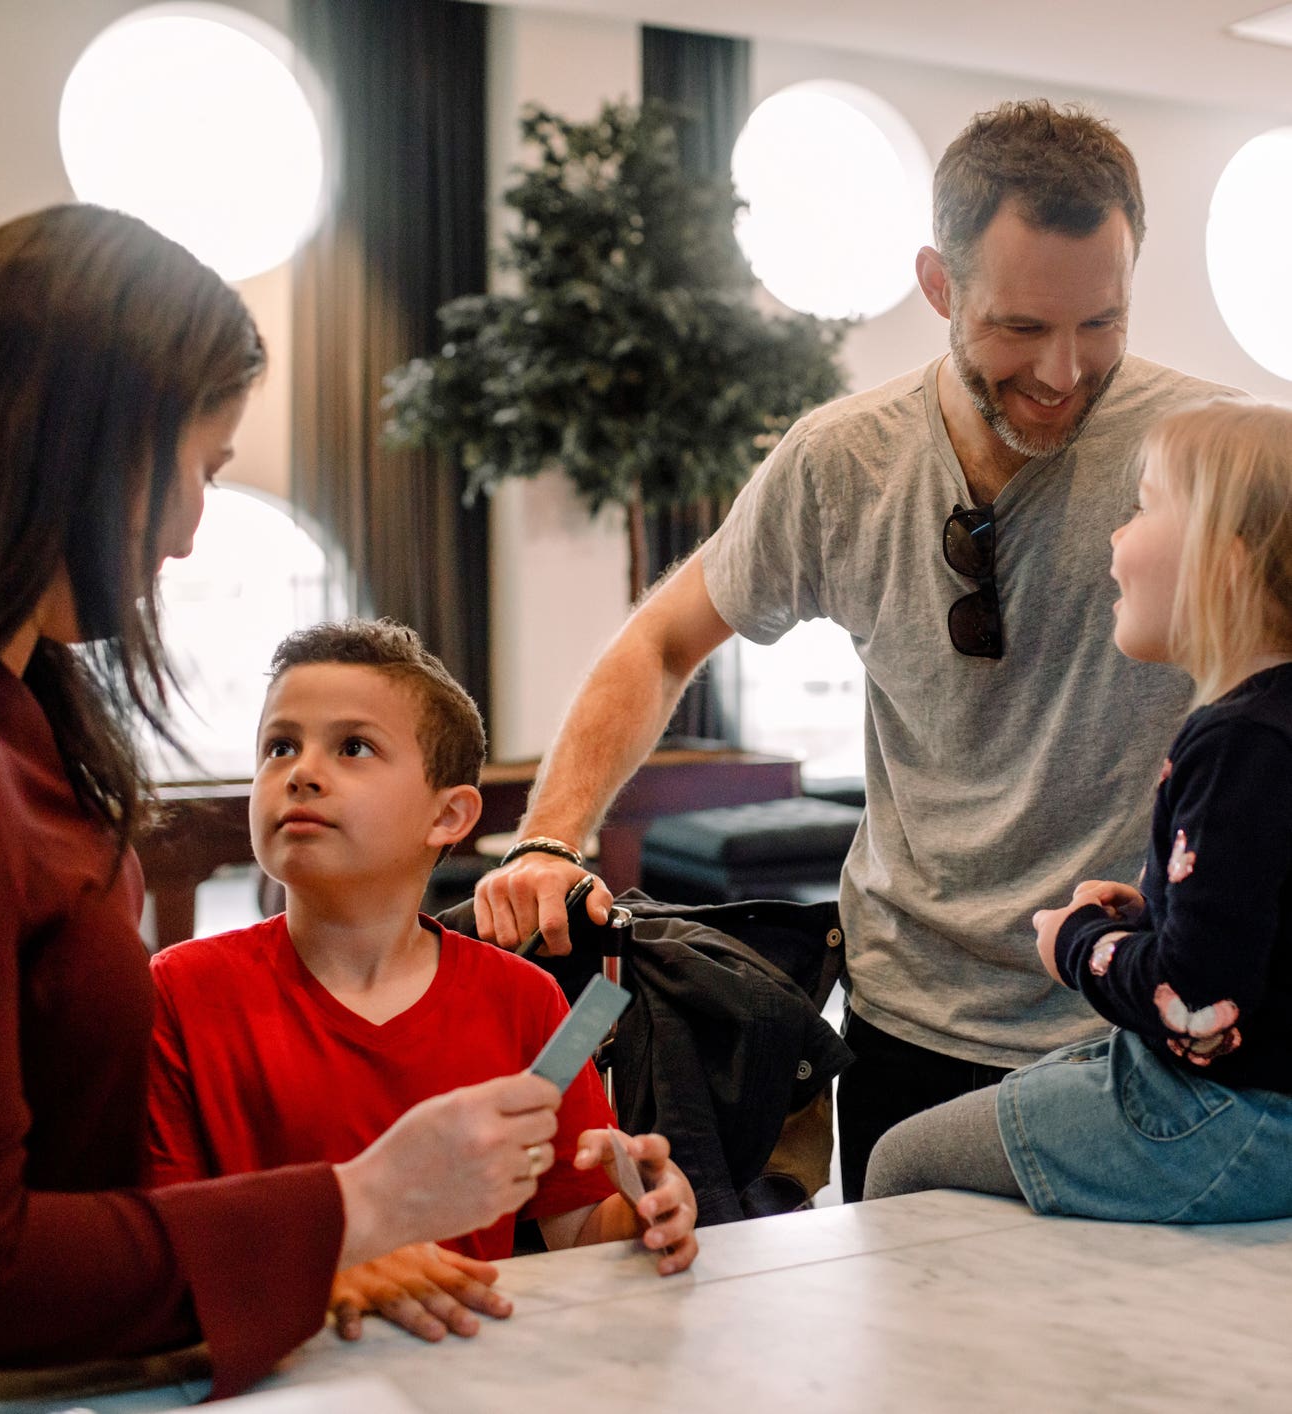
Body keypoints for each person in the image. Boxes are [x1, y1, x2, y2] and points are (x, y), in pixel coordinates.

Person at [471, 99, 1240, 1202]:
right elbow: (661, 640)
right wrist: (550, 839)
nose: (1063, 372)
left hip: (1128, 1026)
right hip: (906, 1022)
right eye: (1021, 327)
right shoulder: (842, 463)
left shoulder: (1209, 458)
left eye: (1100, 323)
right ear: (939, 284)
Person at [0, 205, 564, 1398]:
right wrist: (354, 1206)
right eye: (198, 467)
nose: (192, 531)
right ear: (81, 445)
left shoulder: (17, 710)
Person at [146, 619, 699, 1344]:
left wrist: (646, 1214)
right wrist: (323, 1270)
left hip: (465, 1359)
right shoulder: (179, 990)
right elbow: (162, 1242)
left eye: (353, 747)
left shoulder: (524, 1000)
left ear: (448, 815)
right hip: (276, 1364)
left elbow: (578, 1228)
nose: (301, 772)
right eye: (279, 746)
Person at [864, 399, 1292, 1219]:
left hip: (1224, 1119)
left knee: (903, 1161)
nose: (1116, 536)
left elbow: (1199, 1004)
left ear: (1223, 565)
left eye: (1143, 508)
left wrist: (1077, 944)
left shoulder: (1238, 743)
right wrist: (1155, 914)